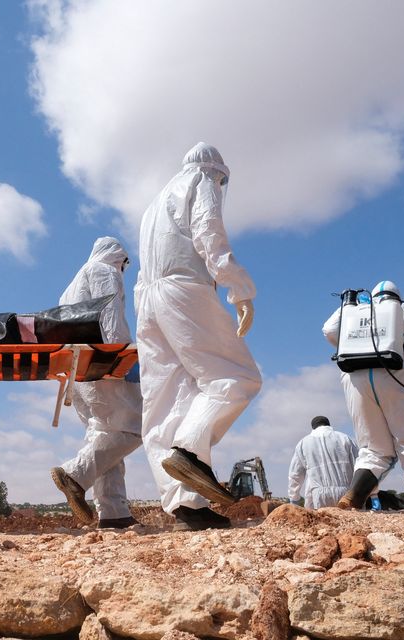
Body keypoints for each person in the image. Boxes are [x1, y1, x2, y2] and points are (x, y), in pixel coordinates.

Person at [135, 142, 262, 531]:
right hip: (184, 289)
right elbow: (209, 233)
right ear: (215, 170)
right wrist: (239, 288)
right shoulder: (200, 180)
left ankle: (184, 505)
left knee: (166, 400)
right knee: (237, 376)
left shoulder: (152, 206)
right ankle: (190, 452)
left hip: (147, 300)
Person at [50, 237, 143, 529]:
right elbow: (111, 315)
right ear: (119, 256)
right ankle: (74, 475)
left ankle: (114, 513)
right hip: (99, 364)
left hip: (75, 372)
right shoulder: (105, 270)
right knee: (136, 426)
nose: (124, 268)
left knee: (104, 435)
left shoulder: (70, 286)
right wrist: (123, 355)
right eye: (125, 263)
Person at [322, 280, 404, 509]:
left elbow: (329, 330)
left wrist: (349, 305)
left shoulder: (355, 311)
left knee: (374, 449)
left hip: (354, 380)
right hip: (397, 376)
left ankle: (353, 497)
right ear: (397, 297)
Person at [288, 416, 359, 509]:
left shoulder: (303, 443)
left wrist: (294, 497)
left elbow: (295, 474)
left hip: (319, 496)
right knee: (347, 522)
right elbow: (360, 464)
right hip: (346, 494)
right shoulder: (344, 438)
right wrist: (372, 493)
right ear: (328, 425)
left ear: (313, 427)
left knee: (325, 522)